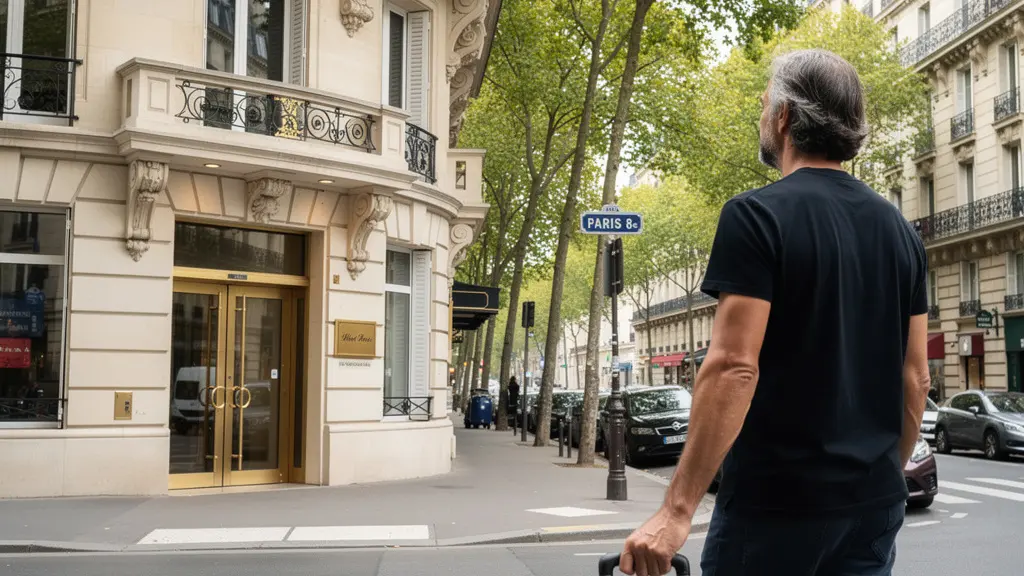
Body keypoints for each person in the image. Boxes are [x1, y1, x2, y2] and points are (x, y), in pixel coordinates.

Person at [619, 49, 931, 576]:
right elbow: (916, 377)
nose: (762, 117)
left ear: (784, 117)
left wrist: (675, 512)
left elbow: (733, 366)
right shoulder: (901, 231)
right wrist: (880, 476)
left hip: (777, 507)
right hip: (873, 507)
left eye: (765, 105)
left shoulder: (755, 215)